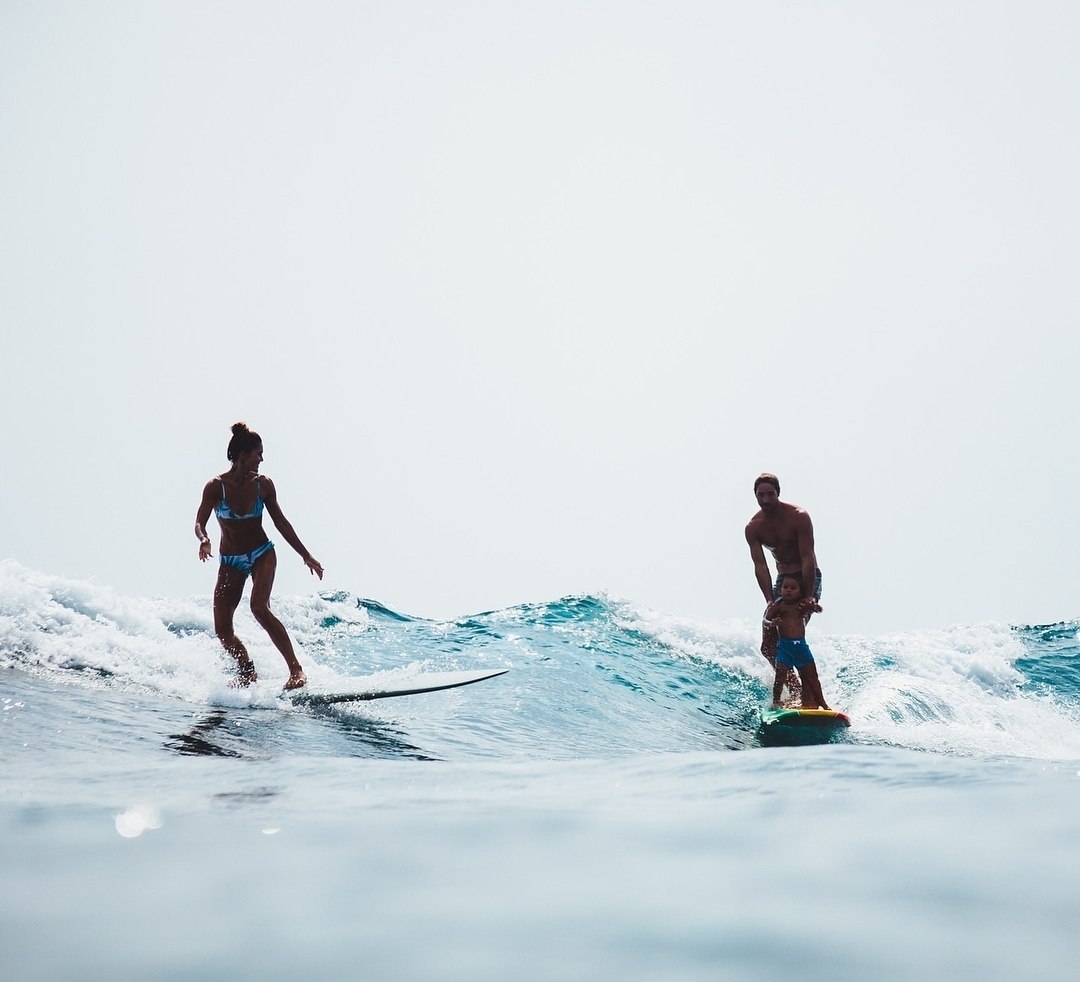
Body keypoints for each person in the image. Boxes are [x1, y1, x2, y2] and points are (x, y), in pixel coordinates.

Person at [194, 422, 324, 690]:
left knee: (258, 607)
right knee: (223, 631)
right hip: (231, 561)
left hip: (261, 553)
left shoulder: (263, 486)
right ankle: (247, 671)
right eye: (258, 453)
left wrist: (306, 555)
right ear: (242, 454)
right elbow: (199, 522)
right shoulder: (215, 487)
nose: (262, 459)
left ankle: (296, 670)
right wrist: (204, 540)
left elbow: (281, 523)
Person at [745, 473, 821, 703]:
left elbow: (808, 557)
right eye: (761, 495)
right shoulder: (754, 527)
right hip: (782, 582)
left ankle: (811, 696)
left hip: (806, 577)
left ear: (778, 493)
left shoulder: (798, 517)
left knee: (791, 635)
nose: (766, 499)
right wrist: (770, 600)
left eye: (770, 494)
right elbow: (760, 565)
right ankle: (796, 690)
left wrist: (808, 595)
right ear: (755, 496)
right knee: (768, 646)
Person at [765, 574, 829, 709]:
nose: (788, 590)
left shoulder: (801, 605)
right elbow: (765, 620)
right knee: (780, 676)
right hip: (784, 647)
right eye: (785, 587)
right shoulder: (778, 607)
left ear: (800, 591)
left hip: (801, 646)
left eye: (793, 588)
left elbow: (819, 609)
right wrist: (771, 623)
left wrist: (816, 608)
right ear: (780, 589)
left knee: (813, 677)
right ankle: (776, 701)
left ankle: (822, 702)